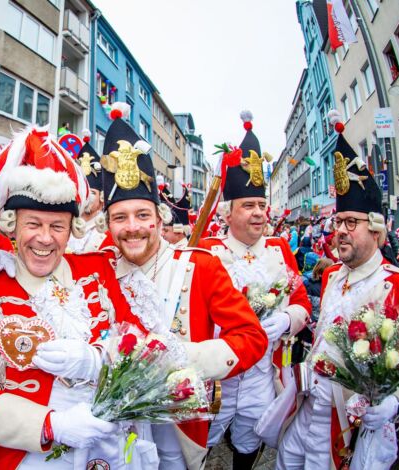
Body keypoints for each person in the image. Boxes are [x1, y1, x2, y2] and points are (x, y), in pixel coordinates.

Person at [0, 124, 158, 470]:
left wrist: (98, 360)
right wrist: (51, 425)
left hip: (108, 451)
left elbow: (139, 341)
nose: (45, 239)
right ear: (13, 227)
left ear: (72, 230)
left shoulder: (98, 269)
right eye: (33, 224)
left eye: (57, 226)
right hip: (30, 458)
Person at [99, 103, 268, 468]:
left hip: (178, 430)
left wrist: (184, 361)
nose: (133, 227)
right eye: (120, 217)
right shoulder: (96, 268)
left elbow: (252, 338)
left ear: (159, 218)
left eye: (143, 215)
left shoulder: (199, 266)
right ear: (107, 223)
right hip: (111, 430)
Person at [275, 112, 399, 469]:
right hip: (308, 406)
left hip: (347, 422)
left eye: (351, 223)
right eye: (337, 222)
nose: (340, 230)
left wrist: (396, 403)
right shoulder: (330, 277)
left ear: (376, 230)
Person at [197, 112, 310, 469]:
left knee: (249, 444)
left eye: (262, 205)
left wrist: (285, 321)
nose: (259, 213)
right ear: (228, 213)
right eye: (249, 206)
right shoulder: (208, 250)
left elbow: (303, 303)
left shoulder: (280, 249)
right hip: (218, 377)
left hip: (262, 375)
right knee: (201, 444)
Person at [66, 129, 107, 254]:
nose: (87, 196)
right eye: (83, 192)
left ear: (102, 199)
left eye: (93, 193)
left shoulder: (108, 230)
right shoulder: (64, 224)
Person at [160, 184, 192, 249]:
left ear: (179, 232)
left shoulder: (185, 252)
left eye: (166, 230)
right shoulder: (169, 249)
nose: (162, 234)